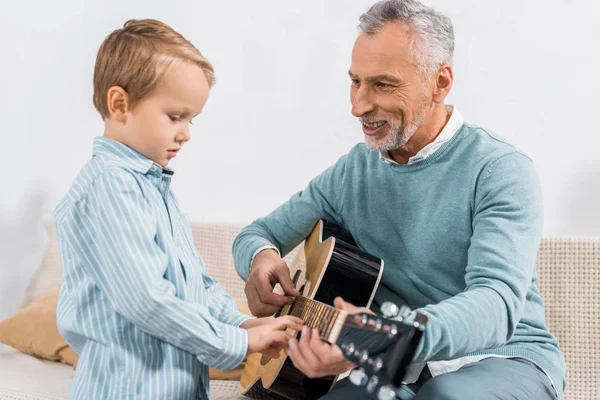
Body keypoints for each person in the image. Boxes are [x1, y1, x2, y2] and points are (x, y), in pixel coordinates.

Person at [232, 1, 565, 399]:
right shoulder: (352, 172)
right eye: (355, 81)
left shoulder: (499, 169)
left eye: (383, 84)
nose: (358, 105)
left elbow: (496, 304)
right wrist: (260, 258)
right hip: (400, 371)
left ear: (440, 82)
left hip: (503, 361)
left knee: (447, 396)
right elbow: (259, 233)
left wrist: (383, 340)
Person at [53, 19, 303, 399]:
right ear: (120, 104)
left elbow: (195, 287)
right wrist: (236, 343)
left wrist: (243, 324)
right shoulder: (108, 187)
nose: (186, 133)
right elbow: (147, 300)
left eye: (191, 119)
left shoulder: (154, 189)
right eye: (174, 116)